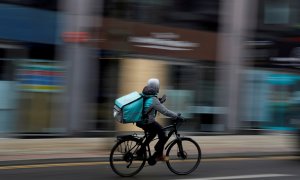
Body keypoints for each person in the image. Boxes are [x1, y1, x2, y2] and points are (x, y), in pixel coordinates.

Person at [136, 78, 183, 161]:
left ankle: (140, 152)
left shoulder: (146, 95)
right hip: (147, 122)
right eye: (158, 86)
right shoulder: (153, 99)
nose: (159, 88)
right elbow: (165, 111)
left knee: (153, 134)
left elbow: (150, 105)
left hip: (141, 121)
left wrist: (159, 101)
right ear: (156, 87)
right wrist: (176, 116)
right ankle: (159, 154)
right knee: (162, 133)